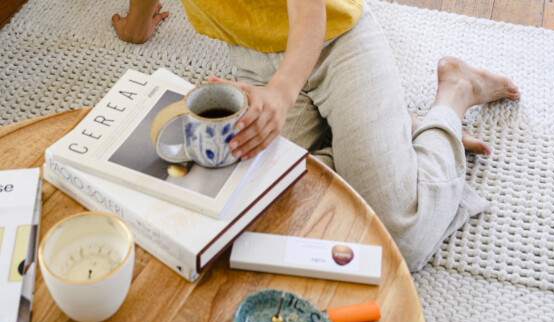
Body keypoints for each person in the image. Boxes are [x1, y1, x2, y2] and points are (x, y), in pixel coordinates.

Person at [112, 0, 520, 272]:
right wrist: (136, 24)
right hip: (253, 60)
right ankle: (393, 126)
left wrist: (280, 96)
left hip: (337, 39)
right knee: (261, 219)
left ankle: (454, 95)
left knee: (397, 237)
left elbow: (310, 15)